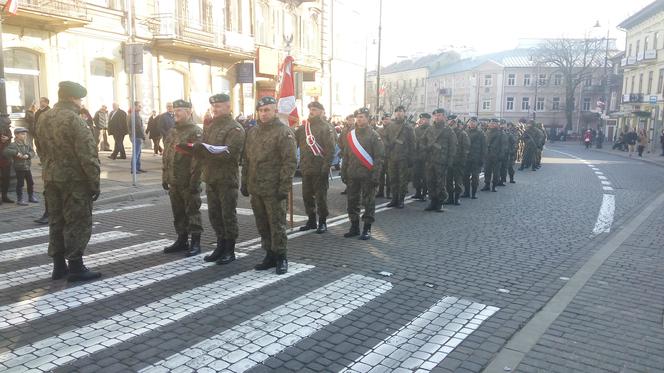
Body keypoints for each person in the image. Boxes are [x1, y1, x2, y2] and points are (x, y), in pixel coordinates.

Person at [35, 81, 101, 282]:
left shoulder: (43, 118)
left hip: (51, 177)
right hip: (74, 180)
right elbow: (87, 155)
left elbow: (40, 148)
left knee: (56, 220)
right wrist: (94, 182)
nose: (81, 103)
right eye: (80, 99)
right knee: (77, 221)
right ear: (73, 98)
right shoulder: (75, 120)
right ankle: (76, 266)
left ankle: (58, 267)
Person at [241, 96, 297, 274]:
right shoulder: (253, 132)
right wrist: (245, 182)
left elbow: (289, 162)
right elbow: (247, 160)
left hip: (273, 189)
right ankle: (269, 254)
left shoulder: (284, 132)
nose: (263, 114)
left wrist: (284, 187)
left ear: (275, 111)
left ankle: (281, 256)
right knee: (262, 223)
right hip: (256, 187)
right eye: (261, 110)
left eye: (267, 110)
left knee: (277, 224)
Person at [196, 93, 245, 264]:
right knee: (215, 215)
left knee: (227, 215)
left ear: (228, 107)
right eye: (213, 106)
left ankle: (229, 250)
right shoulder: (210, 126)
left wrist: (209, 151)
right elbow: (203, 144)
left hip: (226, 179)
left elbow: (232, 153)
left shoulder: (235, 128)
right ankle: (220, 245)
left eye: (218, 106)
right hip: (211, 178)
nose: (214, 109)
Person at [162, 100, 204, 257]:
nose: (176, 113)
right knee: (178, 212)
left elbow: (198, 159)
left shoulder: (195, 132)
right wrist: (165, 176)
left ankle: (195, 242)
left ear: (188, 112)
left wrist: (194, 181)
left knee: (192, 211)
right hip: (174, 180)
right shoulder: (172, 131)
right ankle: (182, 239)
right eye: (175, 110)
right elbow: (167, 155)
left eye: (180, 110)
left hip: (188, 180)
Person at [341, 107, 384, 240]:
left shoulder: (374, 136)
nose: (359, 119)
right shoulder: (350, 135)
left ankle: (367, 228)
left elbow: (379, 158)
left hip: (368, 175)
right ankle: (354, 227)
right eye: (357, 117)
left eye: (362, 117)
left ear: (368, 119)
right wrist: (344, 172)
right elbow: (346, 155)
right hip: (353, 174)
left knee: (368, 202)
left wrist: (376, 176)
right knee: (352, 202)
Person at [294, 101, 336, 233]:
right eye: (310, 109)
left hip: (319, 169)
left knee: (320, 197)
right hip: (306, 169)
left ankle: (322, 221)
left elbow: (330, 150)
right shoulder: (302, 129)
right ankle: (311, 220)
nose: (311, 111)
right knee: (306, 196)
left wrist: (326, 167)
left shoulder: (326, 128)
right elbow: (292, 143)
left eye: (314, 109)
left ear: (321, 111)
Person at [423, 108, 457, 212]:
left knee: (440, 182)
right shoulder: (429, 129)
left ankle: (440, 202)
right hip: (430, 160)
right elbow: (422, 141)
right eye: (436, 115)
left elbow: (453, 147)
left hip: (441, 161)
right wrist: (426, 148)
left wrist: (450, 161)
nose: (437, 117)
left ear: (444, 117)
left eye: (440, 115)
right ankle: (433, 201)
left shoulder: (448, 131)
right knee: (430, 181)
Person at [383, 106, 415, 208]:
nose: (398, 113)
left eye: (401, 111)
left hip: (403, 158)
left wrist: (410, 158)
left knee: (402, 180)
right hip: (392, 157)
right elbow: (385, 139)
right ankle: (394, 199)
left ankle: (401, 200)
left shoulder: (408, 127)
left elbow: (412, 144)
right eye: (396, 112)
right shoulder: (390, 126)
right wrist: (388, 147)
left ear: (404, 113)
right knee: (393, 179)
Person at [3, 127, 37, 205]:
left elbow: (32, 152)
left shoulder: (27, 144)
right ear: (16, 135)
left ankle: (31, 196)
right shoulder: (13, 145)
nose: (24, 136)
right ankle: (20, 199)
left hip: (27, 167)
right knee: (20, 183)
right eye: (22, 134)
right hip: (19, 168)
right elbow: (5, 151)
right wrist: (16, 153)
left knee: (30, 182)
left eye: (25, 134)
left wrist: (28, 155)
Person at [445, 115, 469, 205]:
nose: (451, 124)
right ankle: (450, 198)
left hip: (458, 162)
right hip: (448, 161)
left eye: (452, 122)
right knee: (448, 181)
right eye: (449, 122)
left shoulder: (462, 134)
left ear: (456, 123)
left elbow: (465, 148)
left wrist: (463, 161)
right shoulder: (446, 133)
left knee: (458, 181)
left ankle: (457, 197)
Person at [462, 117, 486, 199]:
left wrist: (482, 159)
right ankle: (466, 192)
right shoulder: (465, 132)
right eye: (470, 121)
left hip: (476, 158)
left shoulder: (481, 133)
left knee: (475, 177)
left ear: (477, 123)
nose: (472, 123)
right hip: (466, 158)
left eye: (474, 122)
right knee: (465, 176)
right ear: (468, 123)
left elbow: (484, 147)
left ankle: (474, 193)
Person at [481, 119, 505, 192]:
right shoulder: (487, 132)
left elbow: (504, 146)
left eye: (494, 123)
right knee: (487, 171)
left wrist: (501, 155)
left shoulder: (501, 133)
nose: (492, 124)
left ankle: (494, 185)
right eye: (491, 123)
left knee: (496, 173)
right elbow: (484, 144)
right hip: (487, 155)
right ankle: (487, 184)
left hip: (496, 156)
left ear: (497, 124)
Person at [412, 113, 431, 201]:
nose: (422, 120)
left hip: (426, 157)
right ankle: (418, 192)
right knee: (416, 175)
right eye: (421, 119)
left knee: (425, 176)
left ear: (428, 120)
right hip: (416, 156)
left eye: (424, 119)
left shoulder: (431, 130)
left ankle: (424, 193)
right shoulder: (416, 130)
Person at [375, 113, 391, 199]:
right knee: (380, 175)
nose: (385, 120)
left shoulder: (394, 130)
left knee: (389, 175)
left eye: (387, 119)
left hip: (390, 156)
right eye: (384, 119)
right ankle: (380, 191)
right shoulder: (378, 131)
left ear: (390, 120)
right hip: (381, 156)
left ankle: (389, 193)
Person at [128, 101, 146, 173]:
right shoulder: (134, 115)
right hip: (137, 136)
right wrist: (143, 136)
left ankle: (137, 167)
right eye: (139, 106)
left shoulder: (135, 114)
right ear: (134, 106)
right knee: (136, 153)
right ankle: (134, 169)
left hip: (137, 136)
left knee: (138, 153)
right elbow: (138, 127)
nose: (140, 107)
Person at [0, 122, 12, 204]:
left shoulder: (4, 125)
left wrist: (7, 138)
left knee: (6, 178)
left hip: (5, 157)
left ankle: (4, 196)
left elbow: (10, 136)